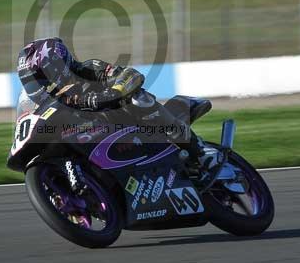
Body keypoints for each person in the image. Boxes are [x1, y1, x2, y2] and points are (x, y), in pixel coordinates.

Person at [16, 37, 222, 173]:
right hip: (97, 137)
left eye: (37, 75)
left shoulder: (90, 69)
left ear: (54, 66)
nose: (35, 82)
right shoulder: (46, 101)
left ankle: (200, 153)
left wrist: (110, 94)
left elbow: (131, 75)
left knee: (138, 98)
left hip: (131, 123)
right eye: (29, 78)